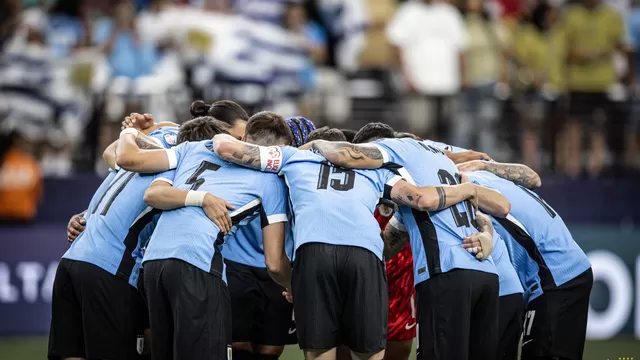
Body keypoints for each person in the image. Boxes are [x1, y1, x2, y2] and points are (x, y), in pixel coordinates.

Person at [212, 119, 504, 360]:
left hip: (313, 254)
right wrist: (466, 191)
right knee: (369, 353)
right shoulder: (376, 169)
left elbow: (226, 147)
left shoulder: (294, 157)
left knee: (320, 353)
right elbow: (421, 198)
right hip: (365, 256)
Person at [308, 122, 512, 360]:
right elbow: (503, 205)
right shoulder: (438, 163)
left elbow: (347, 155)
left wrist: (309, 146)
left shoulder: (390, 151)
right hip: (485, 274)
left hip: (445, 272)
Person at [115, 112, 294, 360]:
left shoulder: (196, 147)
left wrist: (131, 132)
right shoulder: (271, 181)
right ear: (278, 152)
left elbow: (128, 162)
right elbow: (274, 263)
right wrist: (293, 285)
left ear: (243, 137)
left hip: (154, 263)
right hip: (197, 262)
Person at [47, 122, 195, 360]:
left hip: (71, 260)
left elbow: (111, 155)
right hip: (110, 268)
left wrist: (84, 215)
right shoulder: (175, 171)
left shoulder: (133, 161)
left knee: (71, 354)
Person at [457, 160, 592, 360]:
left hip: (556, 274)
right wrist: (483, 164)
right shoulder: (485, 175)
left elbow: (503, 206)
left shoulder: (464, 186)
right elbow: (532, 177)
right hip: (558, 268)